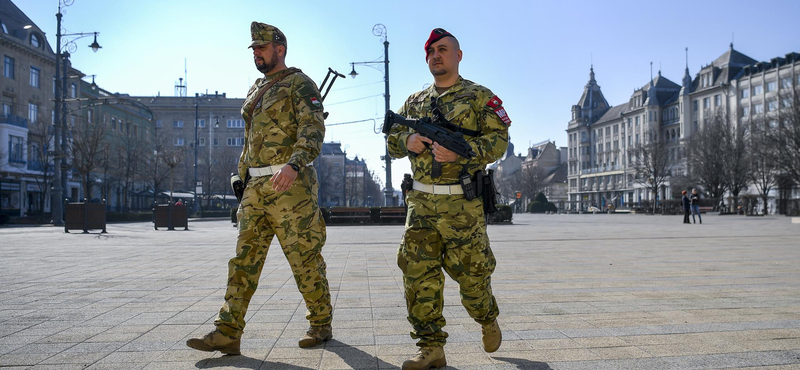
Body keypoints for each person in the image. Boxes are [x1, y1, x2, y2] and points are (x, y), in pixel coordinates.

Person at [187, 22, 331, 355]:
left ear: (279, 49)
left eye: (261, 48)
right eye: (253, 49)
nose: (256, 53)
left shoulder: (299, 83)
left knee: (304, 259)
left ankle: (321, 323)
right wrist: (240, 176)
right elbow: (251, 139)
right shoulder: (256, 89)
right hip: (256, 188)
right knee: (243, 260)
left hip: (290, 188)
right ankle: (227, 331)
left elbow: (313, 130)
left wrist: (295, 165)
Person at [387, 28, 509, 370]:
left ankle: (486, 317)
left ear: (458, 55)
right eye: (430, 52)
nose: (436, 56)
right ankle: (430, 347)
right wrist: (406, 141)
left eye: (443, 50)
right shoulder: (414, 102)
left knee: (473, 277)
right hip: (421, 206)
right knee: (417, 276)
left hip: (462, 208)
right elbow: (391, 137)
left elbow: (499, 142)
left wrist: (463, 155)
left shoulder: (479, 97)